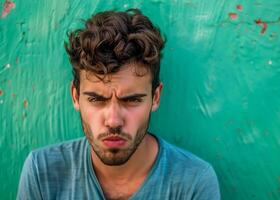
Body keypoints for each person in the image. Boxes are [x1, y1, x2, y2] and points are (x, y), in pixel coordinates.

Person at [17, 9, 220, 200]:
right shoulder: (41, 174)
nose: (113, 121)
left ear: (155, 97)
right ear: (76, 97)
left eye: (132, 100)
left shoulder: (193, 183)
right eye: (96, 99)